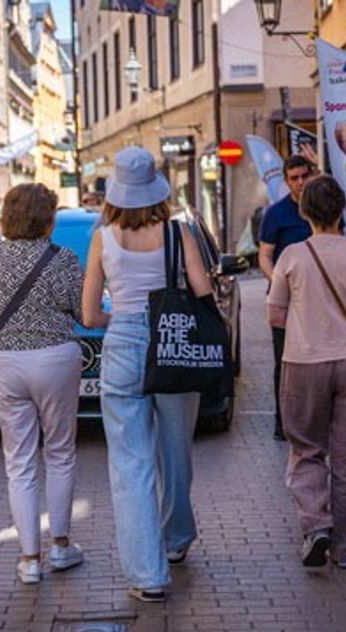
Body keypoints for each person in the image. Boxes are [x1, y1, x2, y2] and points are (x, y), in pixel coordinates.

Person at [82, 147, 213, 603]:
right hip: (174, 342)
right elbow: (203, 290)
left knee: (130, 463)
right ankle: (177, 539)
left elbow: (89, 312)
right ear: (156, 190)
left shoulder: (103, 238)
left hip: (122, 346)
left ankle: (148, 575)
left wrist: (119, 316)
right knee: (176, 451)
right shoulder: (179, 233)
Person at [0, 183, 86, 585]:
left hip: (6, 363)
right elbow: (82, 310)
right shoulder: (64, 259)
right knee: (60, 453)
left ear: (7, 218)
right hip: (56, 358)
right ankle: (61, 547)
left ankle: (30, 558)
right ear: (49, 221)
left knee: (19, 462)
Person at [266, 175, 346, 570]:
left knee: (305, 448)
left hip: (302, 363)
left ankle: (317, 526)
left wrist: (308, 321)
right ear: (342, 211)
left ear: (305, 213)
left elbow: (275, 314)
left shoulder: (291, 256)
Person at [258, 154, 316, 441]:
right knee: (284, 362)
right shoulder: (276, 214)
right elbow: (265, 257)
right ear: (286, 180)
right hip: (285, 300)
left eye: (304, 176)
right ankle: (283, 423)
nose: (300, 183)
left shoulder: (320, 209)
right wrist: (280, 283)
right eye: (294, 178)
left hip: (318, 298)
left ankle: (315, 419)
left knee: (318, 358)